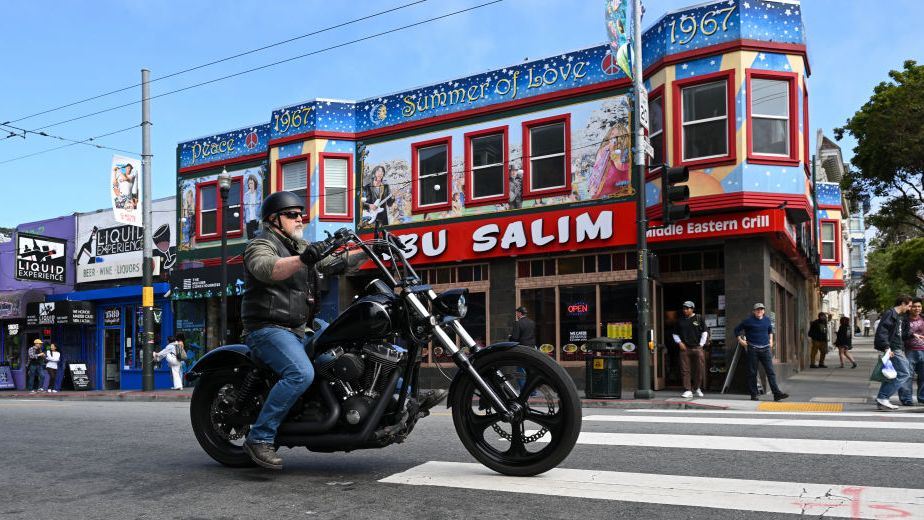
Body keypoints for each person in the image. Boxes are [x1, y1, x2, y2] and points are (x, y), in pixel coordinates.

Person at [239, 191, 445, 470]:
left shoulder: (299, 246)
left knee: (354, 348)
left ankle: (407, 395)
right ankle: (260, 437)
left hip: (301, 328)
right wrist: (305, 258)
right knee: (301, 373)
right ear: (274, 219)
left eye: (301, 214)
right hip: (268, 328)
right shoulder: (261, 244)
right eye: (292, 214)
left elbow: (336, 263)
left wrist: (376, 249)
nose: (299, 218)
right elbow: (267, 269)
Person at [733, 303, 788, 402]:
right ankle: (754, 394)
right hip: (753, 349)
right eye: (757, 310)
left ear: (764, 311)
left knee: (770, 372)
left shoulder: (767, 320)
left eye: (761, 309)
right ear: (754, 311)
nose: (759, 311)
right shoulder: (748, 321)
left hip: (766, 349)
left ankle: (776, 394)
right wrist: (741, 341)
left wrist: (771, 340)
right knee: (752, 372)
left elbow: (770, 331)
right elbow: (736, 330)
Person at [873, 295, 914, 410]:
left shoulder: (898, 316)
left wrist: (911, 335)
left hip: (897, 348)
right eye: (909, 305)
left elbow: (897, 334)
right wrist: (887, 347)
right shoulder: (891, 314)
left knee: (892, 375)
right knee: (905, 373)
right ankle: (883, 397)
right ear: (902, 303)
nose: (909, 308)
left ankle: (882, 399)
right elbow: (882, 331)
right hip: (893, 349)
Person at [673, 301, 708, 398]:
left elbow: (704, 332)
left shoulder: (699, 318)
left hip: (697, 347)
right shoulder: (680, 320)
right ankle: (687, 389)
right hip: (685, 349)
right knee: (685, 370)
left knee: (699, 369)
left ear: (692, 309)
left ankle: (697, 388)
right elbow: (675, 333)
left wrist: (701, 345)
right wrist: (679, 342)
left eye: (687, 308)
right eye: (684, 308)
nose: (685, 310)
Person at [903, 297, 924, 405]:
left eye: (919, 306)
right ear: (910, 308)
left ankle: (922, 397)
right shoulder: (904, 320)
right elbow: (900, 335)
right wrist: (911, 335)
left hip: (923, 351)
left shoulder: (923, 318)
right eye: (914, 306)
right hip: (909, 351)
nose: (917, 308)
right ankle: (907, 399)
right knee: (907, 376)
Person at [243, 175, 261, 239]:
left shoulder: (259, 194)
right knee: (250, 238)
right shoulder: (246, 195)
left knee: (257, 238)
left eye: (252, 183)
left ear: (255, 183)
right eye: (249, 183)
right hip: (248, 219)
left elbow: (261, 207)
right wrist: (244, 222)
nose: (250, 185)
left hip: (257, 219)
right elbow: (244, 210)